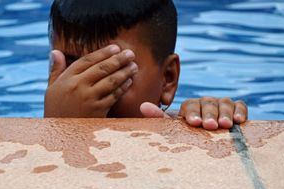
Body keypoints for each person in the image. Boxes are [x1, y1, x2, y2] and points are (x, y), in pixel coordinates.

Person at [44, 0, 248, 130]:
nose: (85, 90)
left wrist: (211, 117)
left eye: (114, 69)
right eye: (72, 67)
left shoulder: (179, 123)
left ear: (168, 79)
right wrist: (57, 125)